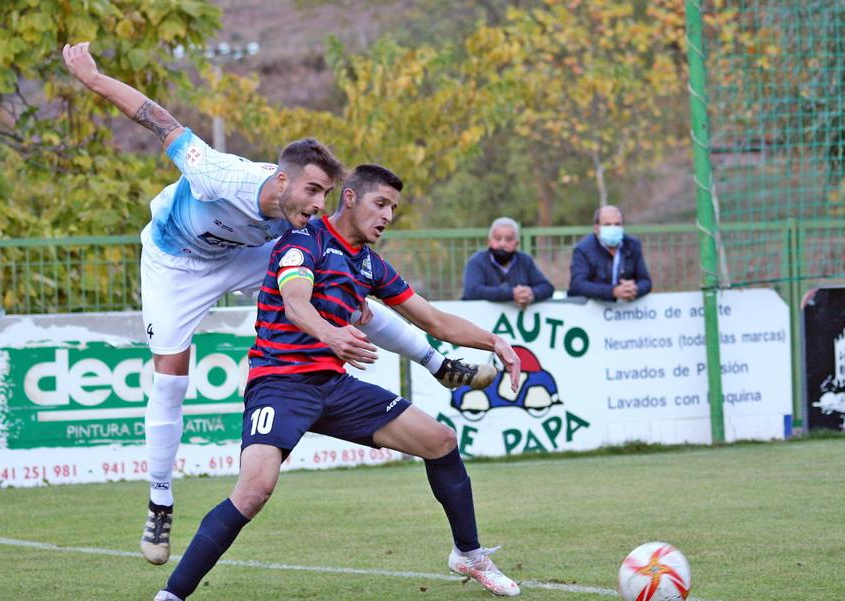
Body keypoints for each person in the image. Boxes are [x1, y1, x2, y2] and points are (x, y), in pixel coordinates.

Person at [61, 42, 496, 565]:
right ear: (282, 181)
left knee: (344, 294)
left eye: (326, 195)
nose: (319, 206)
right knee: (172, 375)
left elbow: (330, 272)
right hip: (175, 261)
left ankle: (438, 362)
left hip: (243, 254)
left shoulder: (298, 221)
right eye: (314, 192)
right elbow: (157, 118)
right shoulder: (218, 174)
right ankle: (159, 499)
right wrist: (93, 78)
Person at [153, 165, 522, 600]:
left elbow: (434, 320)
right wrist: (332, 334)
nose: (387, 215)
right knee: (254, 491)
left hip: (334, 386)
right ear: (349, 198)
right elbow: (295, 302)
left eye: (393, 208)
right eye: (379, 203)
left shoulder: (370, 264)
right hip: (280, 381)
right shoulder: (303, 242)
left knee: (440, 440)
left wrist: (494, 341)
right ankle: (171, 596)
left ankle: (469, 554)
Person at [462, 216, 554, 309]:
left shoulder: (525, 261)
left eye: (509, 239)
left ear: (517, 243)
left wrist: (530, 293)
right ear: (489, 241)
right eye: (498, 238)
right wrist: (512, 294)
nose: (503, 244)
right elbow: (472, 291)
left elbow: (547, 287)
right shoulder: (476, 261)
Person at [567, 205, 652, 301]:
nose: (613, 228)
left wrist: (634, 289)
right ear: (596, 228)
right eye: (607, 224)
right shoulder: (583, 249)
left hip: (626, 312)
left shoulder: (632, 246)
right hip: (592, 310)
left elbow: (645, 281)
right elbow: (577, 285)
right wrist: (612, 291)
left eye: (617, 224)